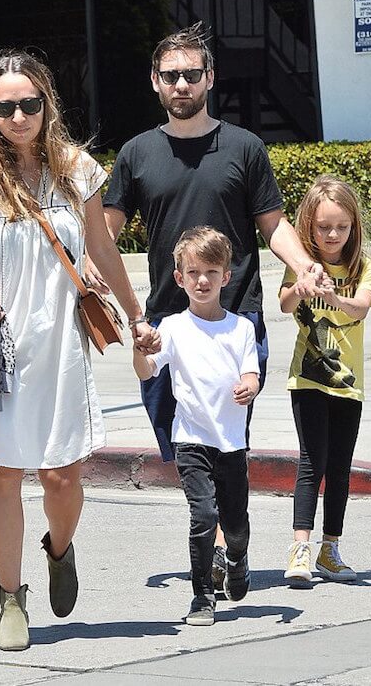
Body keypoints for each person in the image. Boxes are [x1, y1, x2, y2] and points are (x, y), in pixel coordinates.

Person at [0, 49, 158, 651]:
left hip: (62, 344)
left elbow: (102, 251)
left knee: (62, 477)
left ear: (45, 105)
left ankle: (59, 549)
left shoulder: (77, 170)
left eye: (28, 103)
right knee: (4, 475)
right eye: (4, 107)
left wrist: (136, 315)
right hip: (0, 351)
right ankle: (11, 597)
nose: (17, 116)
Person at [90, 22, 323, 587]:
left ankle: (217, 541)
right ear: (154, 82)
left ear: (210, 78)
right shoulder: (137, 154)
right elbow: (104, 234)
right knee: (182, 443)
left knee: (222, 435)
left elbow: (273, 226)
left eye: (192, 74)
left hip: (235, 320)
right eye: (170, 75)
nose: (181, 84)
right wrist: (87, 280)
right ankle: (219, 529)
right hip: (166, 328)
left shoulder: (244, 148)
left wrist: (304, 265)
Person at [133, 226, 260, 626]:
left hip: (231, 441)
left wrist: (249, 386)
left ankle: (236, 558)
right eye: (192, 273)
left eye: (210, 271)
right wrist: (139, 352)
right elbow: (148, 370)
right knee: (203, 516)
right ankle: (202, 595)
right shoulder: (172, 326)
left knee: (235, 524)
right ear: (179, 278)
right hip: (191, 439)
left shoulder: (240, 328)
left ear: (227, 276)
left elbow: (252, 374)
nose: (201, 280)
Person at [279, 175, 371, 588]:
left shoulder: (363, 267)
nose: (332, 234)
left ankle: (330, 548)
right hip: (307, 379)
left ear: (353, 226)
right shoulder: (300, 262)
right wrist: (301, 285)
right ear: (308, 227)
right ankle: (300, 547)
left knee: (339, 469)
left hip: (348, 383)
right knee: (310, 462)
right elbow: (284, 304)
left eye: (341, 226)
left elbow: (361, 309)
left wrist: (335, 297)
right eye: (323, 227)